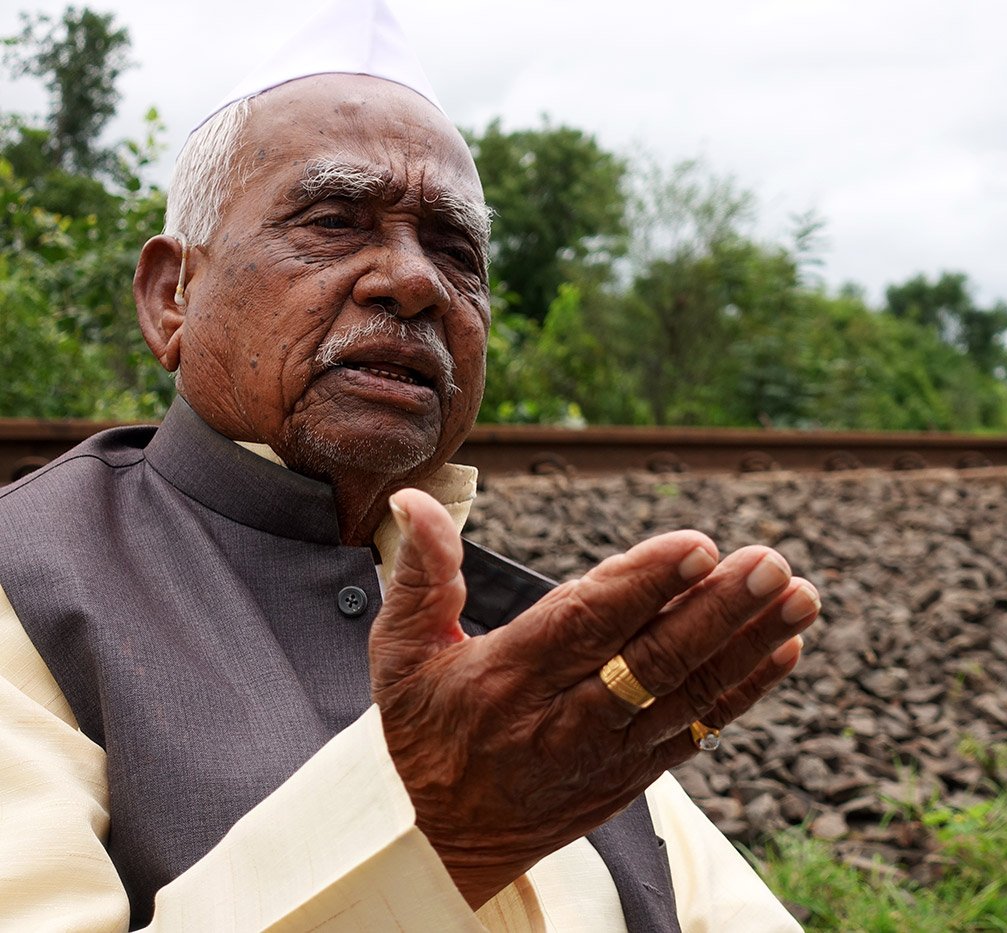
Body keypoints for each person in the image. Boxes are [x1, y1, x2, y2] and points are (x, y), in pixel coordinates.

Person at [0, 2, 815, 929]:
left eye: (453, 246)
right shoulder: (26, 587)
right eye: (336, 219)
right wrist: (434, 832)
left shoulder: (526, 638)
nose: (414, 279)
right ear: (170, 297)